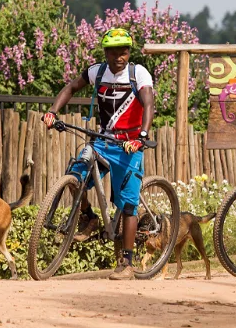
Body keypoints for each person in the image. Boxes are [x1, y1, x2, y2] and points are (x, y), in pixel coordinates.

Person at [42, 27, 154, 280]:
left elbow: (148, 103)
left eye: (124, 51)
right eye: (114, 52)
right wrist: (52, 112)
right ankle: (89, 217)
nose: (119, 57)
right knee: (74, 175)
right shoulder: (97, 72)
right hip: (103, 141)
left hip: (129, 146)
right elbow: (71, 87)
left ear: (129, 52)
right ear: (105, 52)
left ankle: (127, 262)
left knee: (127, 205)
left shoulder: (138, 74)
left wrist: (142, 137)